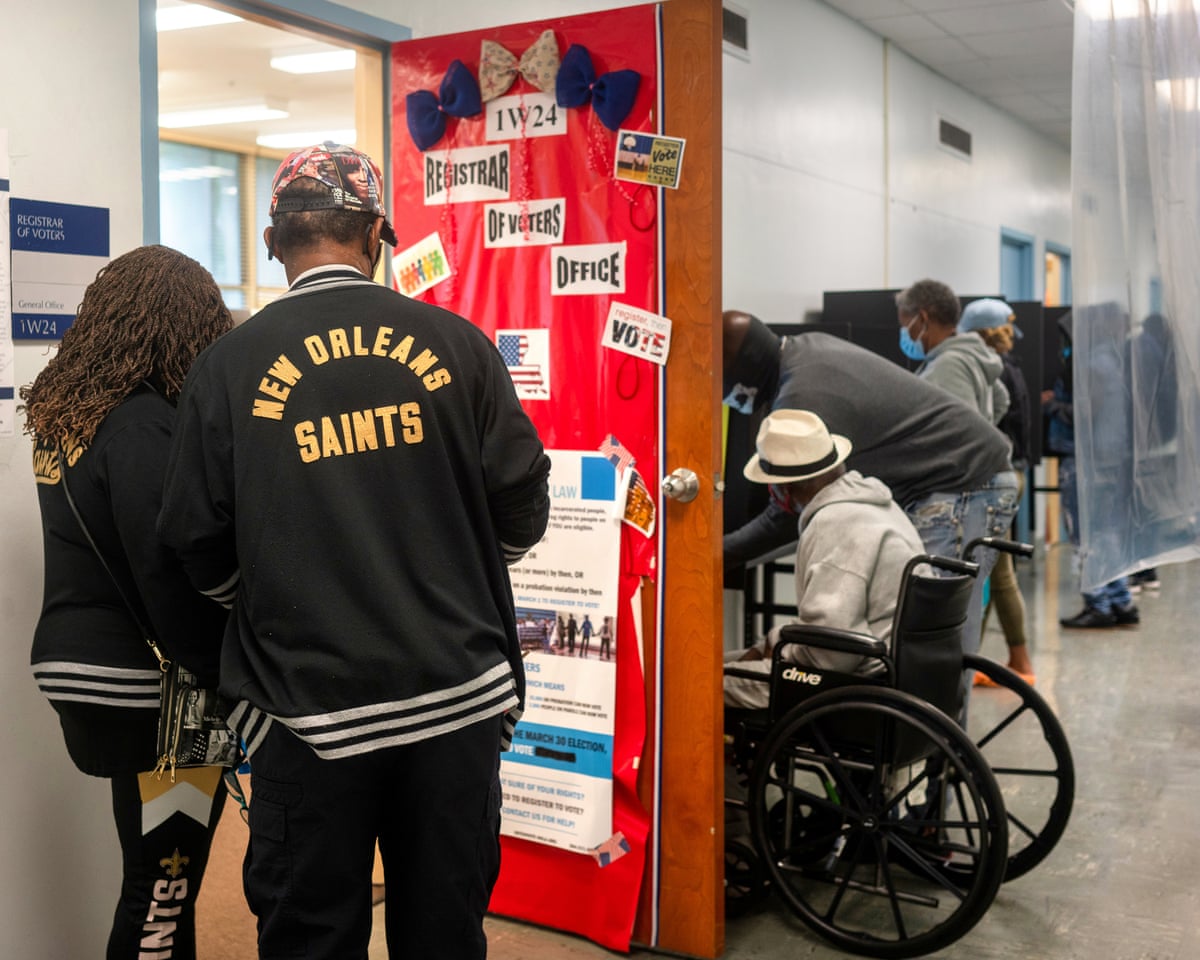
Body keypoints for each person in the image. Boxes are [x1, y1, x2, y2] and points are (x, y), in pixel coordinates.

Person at [157, 142, 551, 960]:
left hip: (307, 715)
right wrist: (451, 563)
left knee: (310, 939)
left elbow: (196, 542)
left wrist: (277, 593)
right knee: (443, 936)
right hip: (455, 701)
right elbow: (522, 507)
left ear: (273, 241)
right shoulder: (459, 344)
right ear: (376, 234)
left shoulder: (225, 368)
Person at [22, 245, 233, 960]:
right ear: (180, 327)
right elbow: (164, 568)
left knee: (152, 872)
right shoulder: (143, 424)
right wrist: (221, 673)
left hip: (80, 665)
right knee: (163, 888)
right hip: (152, 688)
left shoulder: (69, 416)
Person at [722, 311, 1017, 666]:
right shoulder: (805, 351)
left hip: (961, 484)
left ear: (744, 370)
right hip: (967, 478)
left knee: (931, 646)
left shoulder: (802, 396)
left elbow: (787, 510)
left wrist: (720, 553)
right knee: (923, 638)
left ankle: (926, 723)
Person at [723, 410, 926, 709]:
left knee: (705, 682)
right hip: (901, 670)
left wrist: (778, 649)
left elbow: (831, 654)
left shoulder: (835, 523)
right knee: (730, 662)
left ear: (783, 488)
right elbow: (833, 622)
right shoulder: (880, 506)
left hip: (856, 685)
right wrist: (771, 643)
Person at [956, 298, 1036, 684]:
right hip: (1012, 473)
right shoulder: (1010, 367)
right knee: (994, 570)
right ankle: (985, 661)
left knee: (995, 574)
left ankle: (1011, 663)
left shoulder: (988, 369)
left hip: (995, 478)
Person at [1043, 316, 1138, 628]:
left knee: (1085, 535)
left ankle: (1098, 603)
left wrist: (1053, 404)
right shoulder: (1111, 360)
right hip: (1109, 459)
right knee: (1106, 534)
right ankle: (1121, 600)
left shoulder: (1090, 366)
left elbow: (1084, 414)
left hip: (1086, 462)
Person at [896, 279, 1009, 424]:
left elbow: (963, 433)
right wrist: (987, 430)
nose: (905, 334)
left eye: (906, 326)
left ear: (923, 319)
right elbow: (1001, 399)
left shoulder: (949, 366)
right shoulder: (970, 353)